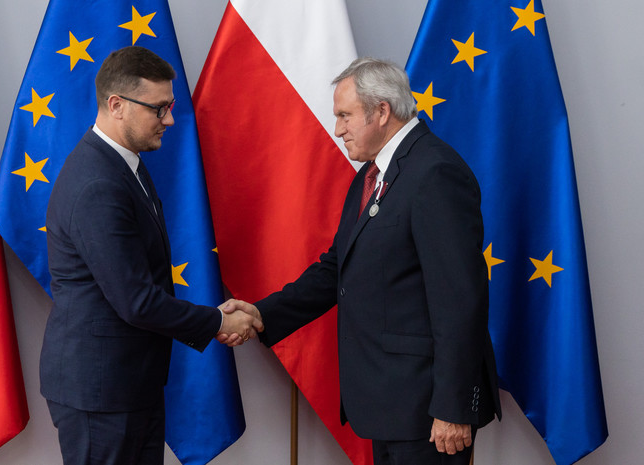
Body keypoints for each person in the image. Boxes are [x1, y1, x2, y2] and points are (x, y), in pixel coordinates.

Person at [222, 57, 501, 464]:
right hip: (389, 404)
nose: (338, 129)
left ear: (382, 111)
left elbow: (460, 300)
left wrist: (453, 407)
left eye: (345, 116)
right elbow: (338, 267)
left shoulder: (435, 172)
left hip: (428, 410)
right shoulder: (371, 175)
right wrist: (263, 314)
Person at [40, 46, 262, 465]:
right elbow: (137, 300)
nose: (169, 120)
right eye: (158, 109)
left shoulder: (125, 165)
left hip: (128, 383)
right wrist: (217, 321)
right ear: (117, 105)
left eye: (169, 107)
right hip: (101, 392)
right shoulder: (98, 183)